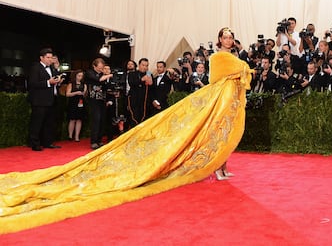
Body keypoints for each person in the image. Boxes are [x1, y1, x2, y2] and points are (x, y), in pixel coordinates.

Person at [0, 27, 253, 233]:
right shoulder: (218, 56)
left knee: (226, 130)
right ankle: (219, 167)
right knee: (215, 129)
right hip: (219, 96)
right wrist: (242, 70)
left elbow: (241, 73)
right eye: (225, 36)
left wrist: (242, 69)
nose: (229, 40)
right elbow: (226, 75)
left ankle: (223, 166)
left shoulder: (235, 57)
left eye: (231, 37)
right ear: (220, 39)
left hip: (231, 98)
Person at [27, 48, 63, 151]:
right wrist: (48, 82)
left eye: (51, 57)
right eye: (47, 57)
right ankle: (34, 143)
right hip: (39, 100)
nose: (50, 59)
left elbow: (54, 80)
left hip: (51, 99)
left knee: (49, 123)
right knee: (37, 123)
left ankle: (48, 142)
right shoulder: (35, 67)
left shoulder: (51, 68)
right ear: (41, 58)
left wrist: (57, 81)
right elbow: (33, 83)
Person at [85, 58, 113, 149]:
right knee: (96, 120)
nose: (101, 69)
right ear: (94, 66)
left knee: (102, 120)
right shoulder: (89, 73)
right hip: (93, 100)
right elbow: (98, 79)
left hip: (102, 99)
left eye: (102, 68)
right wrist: (108, 75)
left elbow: (106, 86)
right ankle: (93, 141)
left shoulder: (103, 74)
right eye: (100, 68)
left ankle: (99, 140)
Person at [127, 58, 153, 127]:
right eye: (143, 65)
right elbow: (131, 83)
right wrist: (142, 79)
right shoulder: (132, 74)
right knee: (134, 118)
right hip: (134, 100)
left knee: (144, 119)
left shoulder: (149, 75)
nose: (144, 67)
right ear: (139, 65)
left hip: (144, 101)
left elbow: (151, 88)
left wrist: (150, 82)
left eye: (146, 65)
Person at [65, 70, 87, 142]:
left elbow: (85, 94)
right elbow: (67, 94)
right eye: (79, 76)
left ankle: (77, 136)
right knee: (72, 119)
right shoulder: (71, 84)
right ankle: (70, 135)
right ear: (75, 76)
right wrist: (76, 93)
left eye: (81, 76)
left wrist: (83, 93)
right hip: (73, 102)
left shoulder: (84, 85)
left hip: (81, 103)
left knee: (79, 119)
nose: (80, 77)